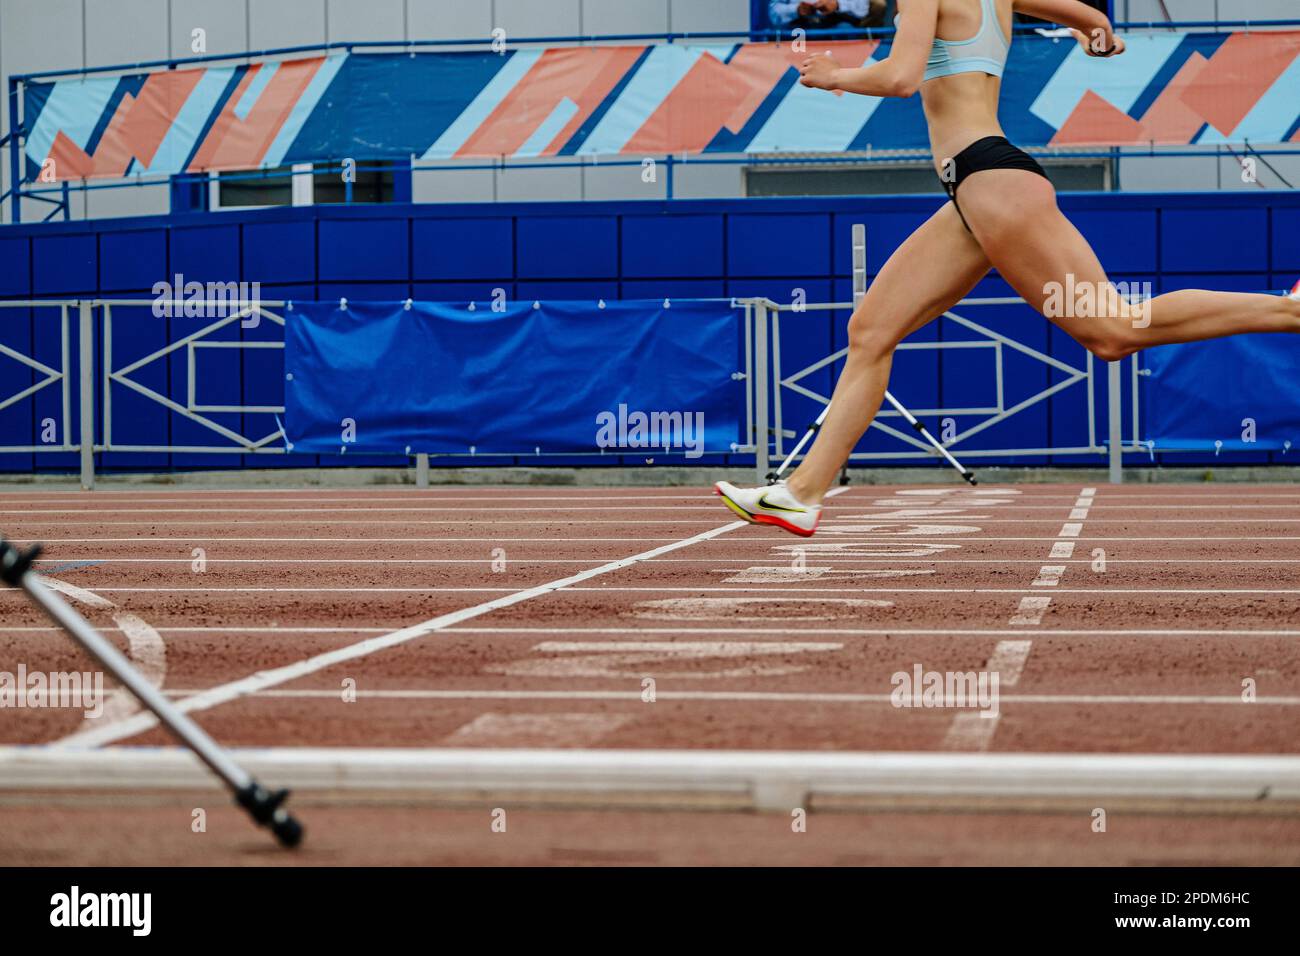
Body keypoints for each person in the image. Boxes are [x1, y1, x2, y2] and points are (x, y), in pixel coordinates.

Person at [716, 0, 1300, 537]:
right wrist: (1098, 36)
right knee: (869, 332)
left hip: (990, 181)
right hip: (973, 190)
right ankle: (802, 492)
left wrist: (834, 76)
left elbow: (900, 77)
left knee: (1113, 331)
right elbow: (1088, 14)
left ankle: (1288, 310)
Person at [769, 0, 889, 31]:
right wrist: (797, 9)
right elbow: (774, 13)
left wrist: (837, 4)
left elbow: (863, 8)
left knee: (845, 30)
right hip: (801, 28)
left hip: (837, 26)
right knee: (796, 40)